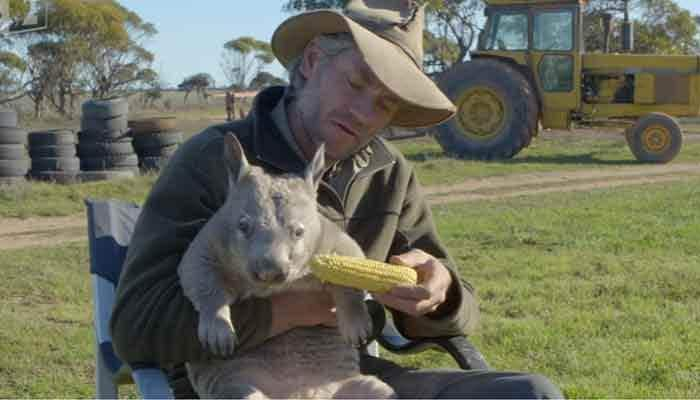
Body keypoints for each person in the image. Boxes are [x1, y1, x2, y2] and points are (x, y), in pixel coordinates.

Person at [110, 1, 564, 398]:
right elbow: (136, 328)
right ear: (311, 61)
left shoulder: (388, 175)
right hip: (235, 380)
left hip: (343, 376)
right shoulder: (216, 162)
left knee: (529, 394)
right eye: (357, 83)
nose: (366, 113)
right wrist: (283, 312)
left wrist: (439, 294)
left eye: (385, 104)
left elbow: (454, 315)